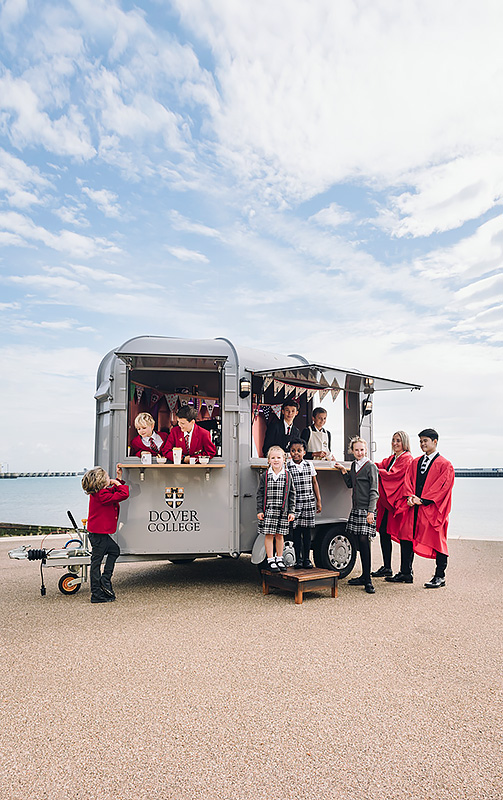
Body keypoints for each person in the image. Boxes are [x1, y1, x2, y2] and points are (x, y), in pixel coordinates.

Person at [388, 428, 455, 589]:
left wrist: (423, 500)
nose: (422, 444)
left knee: (438, 541)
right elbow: (408, 481)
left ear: (435, 442)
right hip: (413, 507)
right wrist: (410, 497)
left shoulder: (445, 464)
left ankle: (440, 576)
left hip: (432, 509)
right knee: (406, 537)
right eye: (420, 441)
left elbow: (443, 487)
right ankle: (406, 572)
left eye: (425, 441)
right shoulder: (415, 462)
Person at [334, 437, 379, 594]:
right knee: (359, 542)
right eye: (356, 450)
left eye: (362, 450)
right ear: (352, 451)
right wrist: (343, 471)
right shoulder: (354, 465)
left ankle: (368, 580)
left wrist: (371, 511)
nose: (359, 452)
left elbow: (374, 491)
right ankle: (363, 576)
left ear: (366, 450)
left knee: (364, 542)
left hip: (367, 510)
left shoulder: (370, 466)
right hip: (356, 509)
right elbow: (350, 484)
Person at [82, 464, 129, 604]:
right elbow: (123, 494)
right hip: (98, 535)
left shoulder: (99, 493)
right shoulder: (102, 495)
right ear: (102, 482)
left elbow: (112, 493)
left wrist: (118, 478)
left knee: (113, 551)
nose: (110, 478)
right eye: (108, 477)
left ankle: (105, 579)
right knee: (96, 562)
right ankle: (97, 592)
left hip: (98, 534)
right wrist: (117, 483)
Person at [371, 431, 414, 578]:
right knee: (384, 532)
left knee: (405, 536)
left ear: (404, 443)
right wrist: (366, 463)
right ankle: (387, 567)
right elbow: (380, 465)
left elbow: (393, 475)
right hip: (388, 502)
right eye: (393, 440)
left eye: (398, 441)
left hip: (400, 501)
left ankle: (406, 571)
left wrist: (376, 470)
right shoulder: (392, 458)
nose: (395, 443)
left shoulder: (407, 458)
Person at [256, 445, 296, 573]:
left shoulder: (287, 476)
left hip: (282, 511)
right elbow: (260, 494)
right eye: (273, 458)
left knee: (280, 535)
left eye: (278, 457)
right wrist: (260, 510)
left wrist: (291, 511)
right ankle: (270, 559)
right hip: (269, 511)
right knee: (269, 535)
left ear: (284, 459)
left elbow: (292, 495)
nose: (276, 460)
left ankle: (279, 558)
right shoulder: (266, 475)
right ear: (268, 460)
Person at [287, 439, 322, 568]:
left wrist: (318, 500)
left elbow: (314, 483)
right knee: (296, 532)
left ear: (304, 452)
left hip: (308, 502)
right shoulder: (287, 466)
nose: (296, 453)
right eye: (293, 451)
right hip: (295, 503)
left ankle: (307, 559)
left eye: (299, 450)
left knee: (307, 532)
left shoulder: (309, 465)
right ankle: (298, 559)